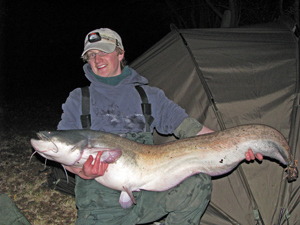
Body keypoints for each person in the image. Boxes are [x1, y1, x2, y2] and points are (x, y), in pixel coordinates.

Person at [57, 28, 263, 225]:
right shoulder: (78, 99)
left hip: (149, 192)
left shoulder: (149, 96)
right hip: (99, 202)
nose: (97, 60)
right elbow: (63, 151)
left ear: (120, 54)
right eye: (91, 55)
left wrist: (238, 145)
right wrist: (82, 172)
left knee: (198, 183)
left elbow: (192, 130)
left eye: (103, 52)